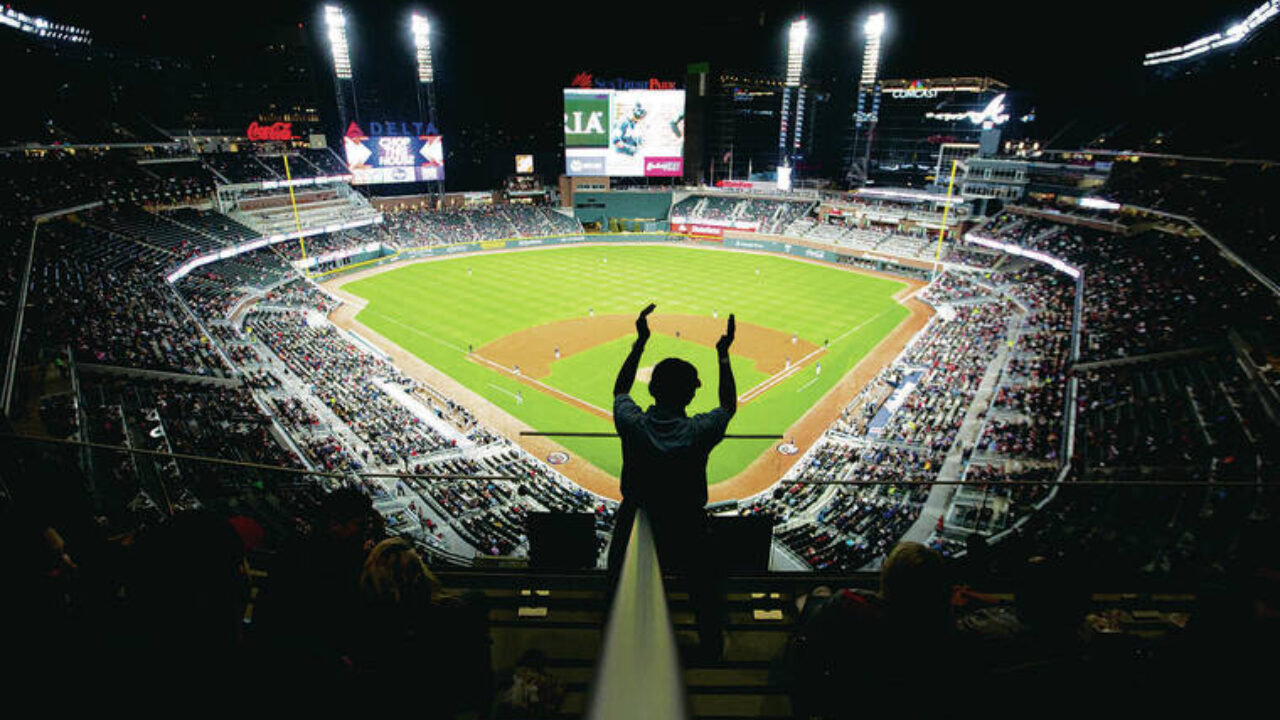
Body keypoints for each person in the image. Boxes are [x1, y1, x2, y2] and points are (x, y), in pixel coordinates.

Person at [607, 303, 736, 660]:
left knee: (621, 584)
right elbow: (728, 406)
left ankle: (623, 645)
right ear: (690, 394)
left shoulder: (633, 424)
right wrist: (723, 356)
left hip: (636, 520)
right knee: (705, 589)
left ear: (653, 390)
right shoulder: (697, 432)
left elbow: (620, 391)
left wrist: (640, 343)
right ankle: (710, 647)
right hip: (687, 523)